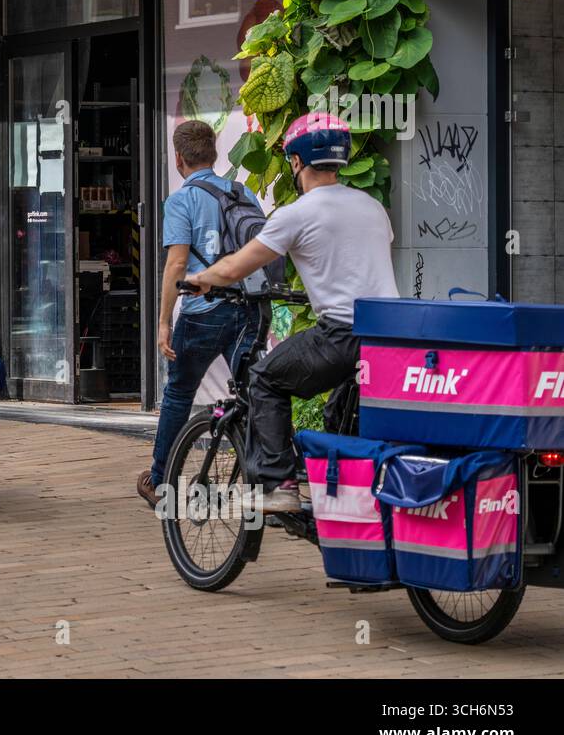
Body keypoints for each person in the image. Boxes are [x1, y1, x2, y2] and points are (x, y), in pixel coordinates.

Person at [183, 112, 398, 513]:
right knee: (340, 414)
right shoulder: (371, 207)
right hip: (390, 336)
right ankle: (344, 503)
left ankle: (278, 485)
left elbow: (235, 267)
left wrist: (200, 280)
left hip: (343, 334)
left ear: (296, 162)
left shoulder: (298, 213)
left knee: (265, 380)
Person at [138, 121, 261, 509]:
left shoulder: (181, 200)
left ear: (179, 158)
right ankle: (267, 486)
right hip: (250, 309)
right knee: (254, 396)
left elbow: (176, 264)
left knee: (179, 393)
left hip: (203, 311)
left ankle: (161, 482)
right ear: (213, 152)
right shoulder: (245, 194)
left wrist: (163, 322)